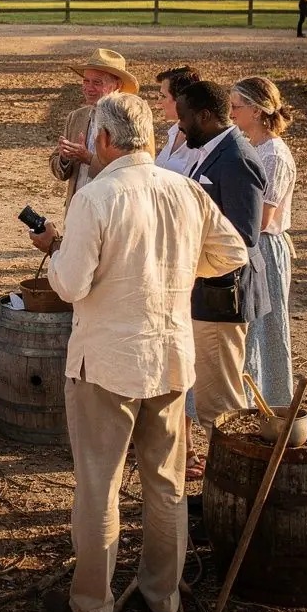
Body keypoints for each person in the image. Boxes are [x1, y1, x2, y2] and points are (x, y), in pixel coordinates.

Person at [30, 94, 246, 612]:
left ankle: (93, 605)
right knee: (167, 483)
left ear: (104, 140)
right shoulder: (186, 190)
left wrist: (54, 254)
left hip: (105, 359)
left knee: (98, 485)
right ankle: (162, 596)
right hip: (170, 355)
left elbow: (71, 284)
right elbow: (234, 253)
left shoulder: (96, 197)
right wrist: (177, 272)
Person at [176, 81, 270, 436]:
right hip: (209, 291)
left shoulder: (236, 158)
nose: (179, 125)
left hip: (223, 296)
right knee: (209, 397)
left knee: (221, 402)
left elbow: (244, 237)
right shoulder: (212, 149)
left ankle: (232, 488)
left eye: (184, 117)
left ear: (205, 115)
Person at [229, 76, 297, 408]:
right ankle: (247, 402)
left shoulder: (274, 154)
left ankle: (273, 405)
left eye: (236, 107)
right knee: (247, 328)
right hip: (250, 245)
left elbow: (263, 219)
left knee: (266, 327)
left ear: (256, 110)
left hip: (265, 248)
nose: (231, 113)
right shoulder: (253, 146)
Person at [153, 64, 204, 479]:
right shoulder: (171, 135)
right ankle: (167, 438)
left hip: (183, 249)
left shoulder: (196, 145)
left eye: (165, 97)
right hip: (161, 244)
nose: (159, 102)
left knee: (183, 347)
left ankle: (186, 447)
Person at [49, 47, 140, 212]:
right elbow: (58, 169)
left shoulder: (130, 121)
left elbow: (133, 172)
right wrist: (64, 157)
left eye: (97, 82)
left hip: (113, 211)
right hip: (77, 209)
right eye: (86, 81)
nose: (88, 88)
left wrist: (88, 158)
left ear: (117, 85)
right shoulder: (76, 117)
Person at [153, 66, 201, 175]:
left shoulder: (202, 144)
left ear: (181, 100)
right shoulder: (174, 132)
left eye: (163, 96)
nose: (158, 104)